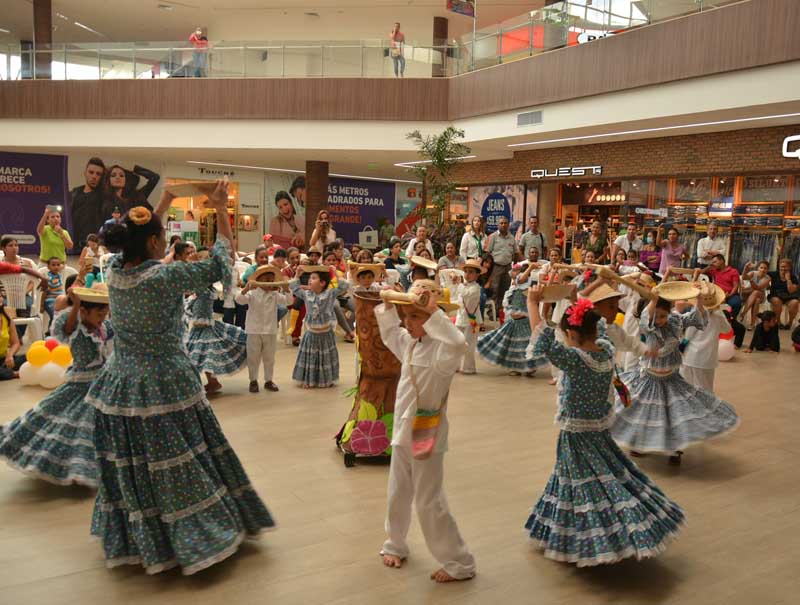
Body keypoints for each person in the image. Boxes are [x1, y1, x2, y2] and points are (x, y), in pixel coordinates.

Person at [89, 182, 275, 574]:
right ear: (155, 242)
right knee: (178, 461)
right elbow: (220, 265)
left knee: (137, 464)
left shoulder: (115, 271)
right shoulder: (164, 277)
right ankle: (194, 535)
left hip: (121, 381)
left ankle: (146, 538)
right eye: (160, 237)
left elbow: (137, 239)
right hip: (164, 380)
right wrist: (221, 210)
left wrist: (165, 201)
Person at [525, 286, 684, 566]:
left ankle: (593, 541)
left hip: (575, 433)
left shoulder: (575, 360)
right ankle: (557, 530)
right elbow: (591, 325)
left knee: (580, 481)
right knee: (595, 475)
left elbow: (543, 338)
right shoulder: (606, 351)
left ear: (571, 335)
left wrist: (532, 302)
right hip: (599, 429)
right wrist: (575, 301)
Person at [375, 281, 476, 583]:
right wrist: (389, 306)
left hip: (427, 433)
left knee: (428, 500)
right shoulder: (411, 343)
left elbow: (458, 343)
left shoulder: (443, 352)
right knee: (397, 491)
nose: (408, 323)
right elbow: (390, 333)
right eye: (407, 316)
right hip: (403, 430)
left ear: (433, 318)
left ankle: (460, 562)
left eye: (416, 316)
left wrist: (433, 312)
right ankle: (395, 544)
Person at [0, 284, 113, 486]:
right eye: (99, 313)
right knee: (63, 421)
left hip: (102, 383)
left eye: (105, 313)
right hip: (80, 384)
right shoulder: (75, 326)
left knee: (91, 427)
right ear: (84, 311)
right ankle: (70, 468)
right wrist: (76, 305)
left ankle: (88, 469)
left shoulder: (104, 328)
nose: (102, 317)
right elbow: (68, 328)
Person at [610, 293, 740, 465]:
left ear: (669, 313)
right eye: (656, 316)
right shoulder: (649, 326)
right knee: (645, 412)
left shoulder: (675, 321)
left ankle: (674, 448)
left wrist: (699, 300)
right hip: (649, 379)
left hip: (671, 379)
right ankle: (641, 444)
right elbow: (646, 318)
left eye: (663, 316)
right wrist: (654, 299)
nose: (659, 320)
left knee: (673, 415)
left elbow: (695, 318)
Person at [184, 254, 248, 395]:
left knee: (205, 355)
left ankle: (213, 382)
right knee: (203, 355)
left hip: (205, 327)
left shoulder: (205, 291)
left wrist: (193, 263)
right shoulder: (204, 291)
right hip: (200, 327)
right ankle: (212, 382)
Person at [477, 263, 547, 377]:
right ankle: (516, 367)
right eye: (513, 271)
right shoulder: (514, 287)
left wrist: (530, 268)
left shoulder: (525, 284)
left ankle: (529, 367)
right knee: (513, 346)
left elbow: (521, 279)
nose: (512, 273)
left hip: (524, 321)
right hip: (513, 322)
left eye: (516, 272)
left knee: (525, 345)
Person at [290, 264, 349, 388]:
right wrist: (297, 275)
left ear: (322, 283)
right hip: (311, 334)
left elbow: (344, 286)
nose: (310, 280)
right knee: (311, 357)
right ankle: (309, 379)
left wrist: (335, 274)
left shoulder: (330, 294)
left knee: (325, 358)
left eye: (313, 278)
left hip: (326, 334)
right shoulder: (306, 294)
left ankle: (325, 379)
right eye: (310, 278)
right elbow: (294, 287)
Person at [236, 265, 292, 393]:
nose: (269, 283)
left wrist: (287, 289)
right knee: (253, 357)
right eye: (266, 280)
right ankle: (253, 380)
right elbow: (239, 300)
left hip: (270, 330)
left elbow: (288, 302)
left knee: (269, 357)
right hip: (254, 330)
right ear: (259, 280)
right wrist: (246, 288)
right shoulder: (252, 293)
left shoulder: (275, 294)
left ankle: (268, 380)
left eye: (271, 280)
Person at [680, 282, 730, 392]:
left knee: (687, 386)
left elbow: (688, 335)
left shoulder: (695, 314)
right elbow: (727, 329)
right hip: (707, 358)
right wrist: (720, 312)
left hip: (690, 355)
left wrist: (682, 347)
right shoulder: (719, 316)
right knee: (705, 388)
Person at [484, 216, 520, 321]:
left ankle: (500, 312)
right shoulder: (493, 237)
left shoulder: (511, 237)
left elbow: (515, 253)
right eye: (501, 223)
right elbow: (487, 252)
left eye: (505, 223)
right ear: (498, 225)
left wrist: (515, 268)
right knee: (494, 290)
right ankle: (492, 313)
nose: (503, 225)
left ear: (508, 225)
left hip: (508, 267)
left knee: (504, 291)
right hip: (496, 267)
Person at [69, 157, 106, 250]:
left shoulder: (104, 195)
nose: (94, 176)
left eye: (98, 174)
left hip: (93, 246)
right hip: (72, 245)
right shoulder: (74, 193)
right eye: (91, 172)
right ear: (85, 173)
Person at [454, 258, 482, 375]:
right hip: (461, 318)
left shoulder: (476, 288)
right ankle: (456, 365)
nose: (467, 274)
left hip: (472, 321)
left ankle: (468, 367)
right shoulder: (463, 286)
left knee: (469, 345)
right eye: (466, 271)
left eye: (471, 272)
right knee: (456, 342)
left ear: (477, 275)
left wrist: (459, 283)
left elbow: (466, 294)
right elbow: (459, 300)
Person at [704, 254, 742, 318]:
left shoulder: (733, 271)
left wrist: (729, 295)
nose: (713, 264)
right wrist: (709, 266)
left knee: (737, 303)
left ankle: (730, 319)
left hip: (730, 295)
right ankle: (719, 318)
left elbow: (735, 286)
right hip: (717, 295)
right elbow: (702, 271)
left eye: (715, 262)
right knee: (710, 304)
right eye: (712, 262)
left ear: (721, 261)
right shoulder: (714, 271)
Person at [768, 258, 799, 329]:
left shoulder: (793, 277)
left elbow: (791, 291)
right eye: (782, 266)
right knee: (777, 301)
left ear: (789, 268)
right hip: (775, 295)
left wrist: (788, 280)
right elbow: (762, 274)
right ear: (779, 267)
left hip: (789, 296)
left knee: (795, 302)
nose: (783, 268)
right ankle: (778, 322)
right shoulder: (774, 274)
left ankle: (789, 323)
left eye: (786, 267)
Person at [0, 295, 25, 380]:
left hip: (3, 359)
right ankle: (13, 374)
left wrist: (10, 355)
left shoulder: (6, 318)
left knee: (29, 357)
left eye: (0, 296)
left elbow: (15, 343)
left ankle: (6, 371)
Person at [740, 260, 771, 328]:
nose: (763, 270)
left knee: (756, 292)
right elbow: (744, 277)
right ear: (758, 268)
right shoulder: (753, 273)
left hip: (761, 295)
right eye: (761, 267)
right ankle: (752, 324)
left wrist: (751, 280)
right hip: (749, 295)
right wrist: (745, 267)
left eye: (765, 268)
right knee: (757, 300)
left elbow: (758, 288)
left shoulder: (768, 278)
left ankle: (743, 313)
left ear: (767, 270)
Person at [42, 256, 65, 330]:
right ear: (48, 267)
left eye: (58, 265)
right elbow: (46, 291)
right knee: (55, 315)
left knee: (65, 314)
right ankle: (51, 331)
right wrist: (41, 305)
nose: (56, 267)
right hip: (50, 300)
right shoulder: (48, 277)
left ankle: (54, 330)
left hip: (60, 300)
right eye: (53, 265)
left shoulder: (59, 275)